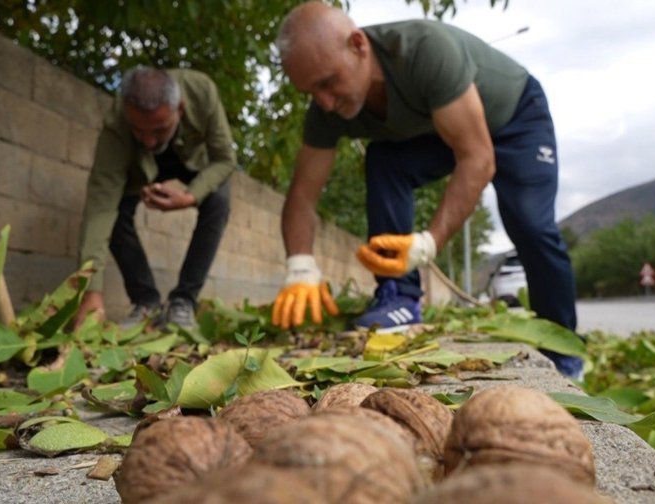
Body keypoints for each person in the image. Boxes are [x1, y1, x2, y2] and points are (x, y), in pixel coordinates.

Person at [270, 2, 584, 378]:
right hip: (440, 131)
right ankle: (399, 296)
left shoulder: (424, 51)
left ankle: (565, 352)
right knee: (385, 160)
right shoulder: (326, 112)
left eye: (327, 82)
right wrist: (300, 266)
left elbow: (478, 159)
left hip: (514, 119)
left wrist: (426, 243)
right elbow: (302, 196)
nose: (324, 101)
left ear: (358, 45)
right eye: (310, 92)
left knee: (530, 224)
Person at [74, 66, 236, 329]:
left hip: (193, 163)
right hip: (141, 169)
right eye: (139, 131)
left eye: (159, 129)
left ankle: (183, 301)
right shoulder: (117, 123)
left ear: (180, 109)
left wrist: (190, 196)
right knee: (114, 213)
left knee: (219, 199)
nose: (149, 141)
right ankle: (145, 302)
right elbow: (100, 205)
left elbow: (225, 160)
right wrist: (90, 290)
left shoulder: (201, 91)